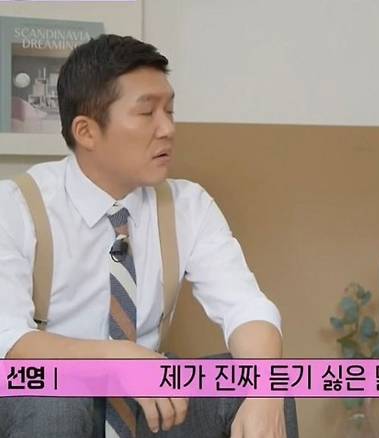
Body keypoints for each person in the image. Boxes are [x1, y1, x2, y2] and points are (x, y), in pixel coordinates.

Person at [0, 34, 297, 438]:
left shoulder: (188, 205)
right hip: (45, 407)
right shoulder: (17, 205)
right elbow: (10, 339)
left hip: (151, 404)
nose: (167, 129)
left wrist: (265, 391)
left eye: (170, 110)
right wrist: (114, 359)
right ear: (86, 131)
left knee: (263, 380)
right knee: (55, 397)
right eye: (147, 113)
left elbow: (246, 308)